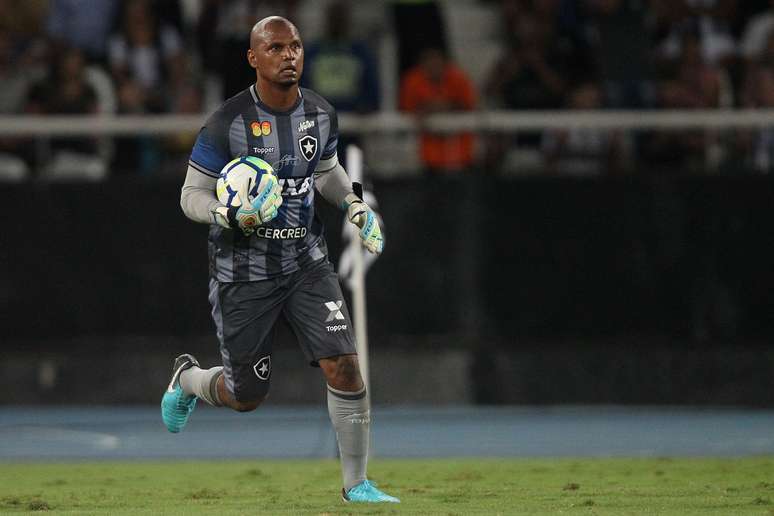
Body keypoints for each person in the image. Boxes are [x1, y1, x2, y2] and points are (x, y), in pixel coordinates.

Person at [161, 16, 397, 504]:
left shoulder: (321, 113)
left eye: (295, 47)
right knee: (246, 396)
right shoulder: (227, 123)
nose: (288, 55)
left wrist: (354, 205)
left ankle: (357, 484)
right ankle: (189, 379)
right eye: (275, 48)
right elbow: (190, 196)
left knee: (346, 366)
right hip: (243, 274)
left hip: (306, 263)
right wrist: (227, 213)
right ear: (253, 58)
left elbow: (327, 173)